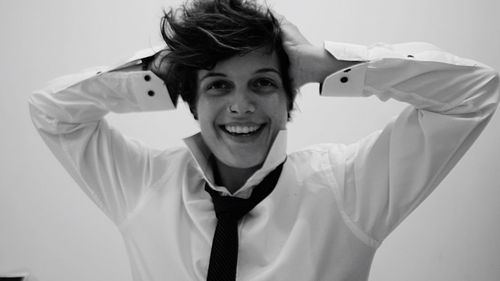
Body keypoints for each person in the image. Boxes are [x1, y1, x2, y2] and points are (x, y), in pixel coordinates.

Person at [29, 0, 499, 280]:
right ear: (191, 100)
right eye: (217, 85)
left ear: (289, 94)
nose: (240, 106)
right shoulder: (140, 184)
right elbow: (51, 111)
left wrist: (325, 64)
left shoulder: (347, 189)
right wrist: (153, 72)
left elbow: (474, 94)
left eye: (262, 83)